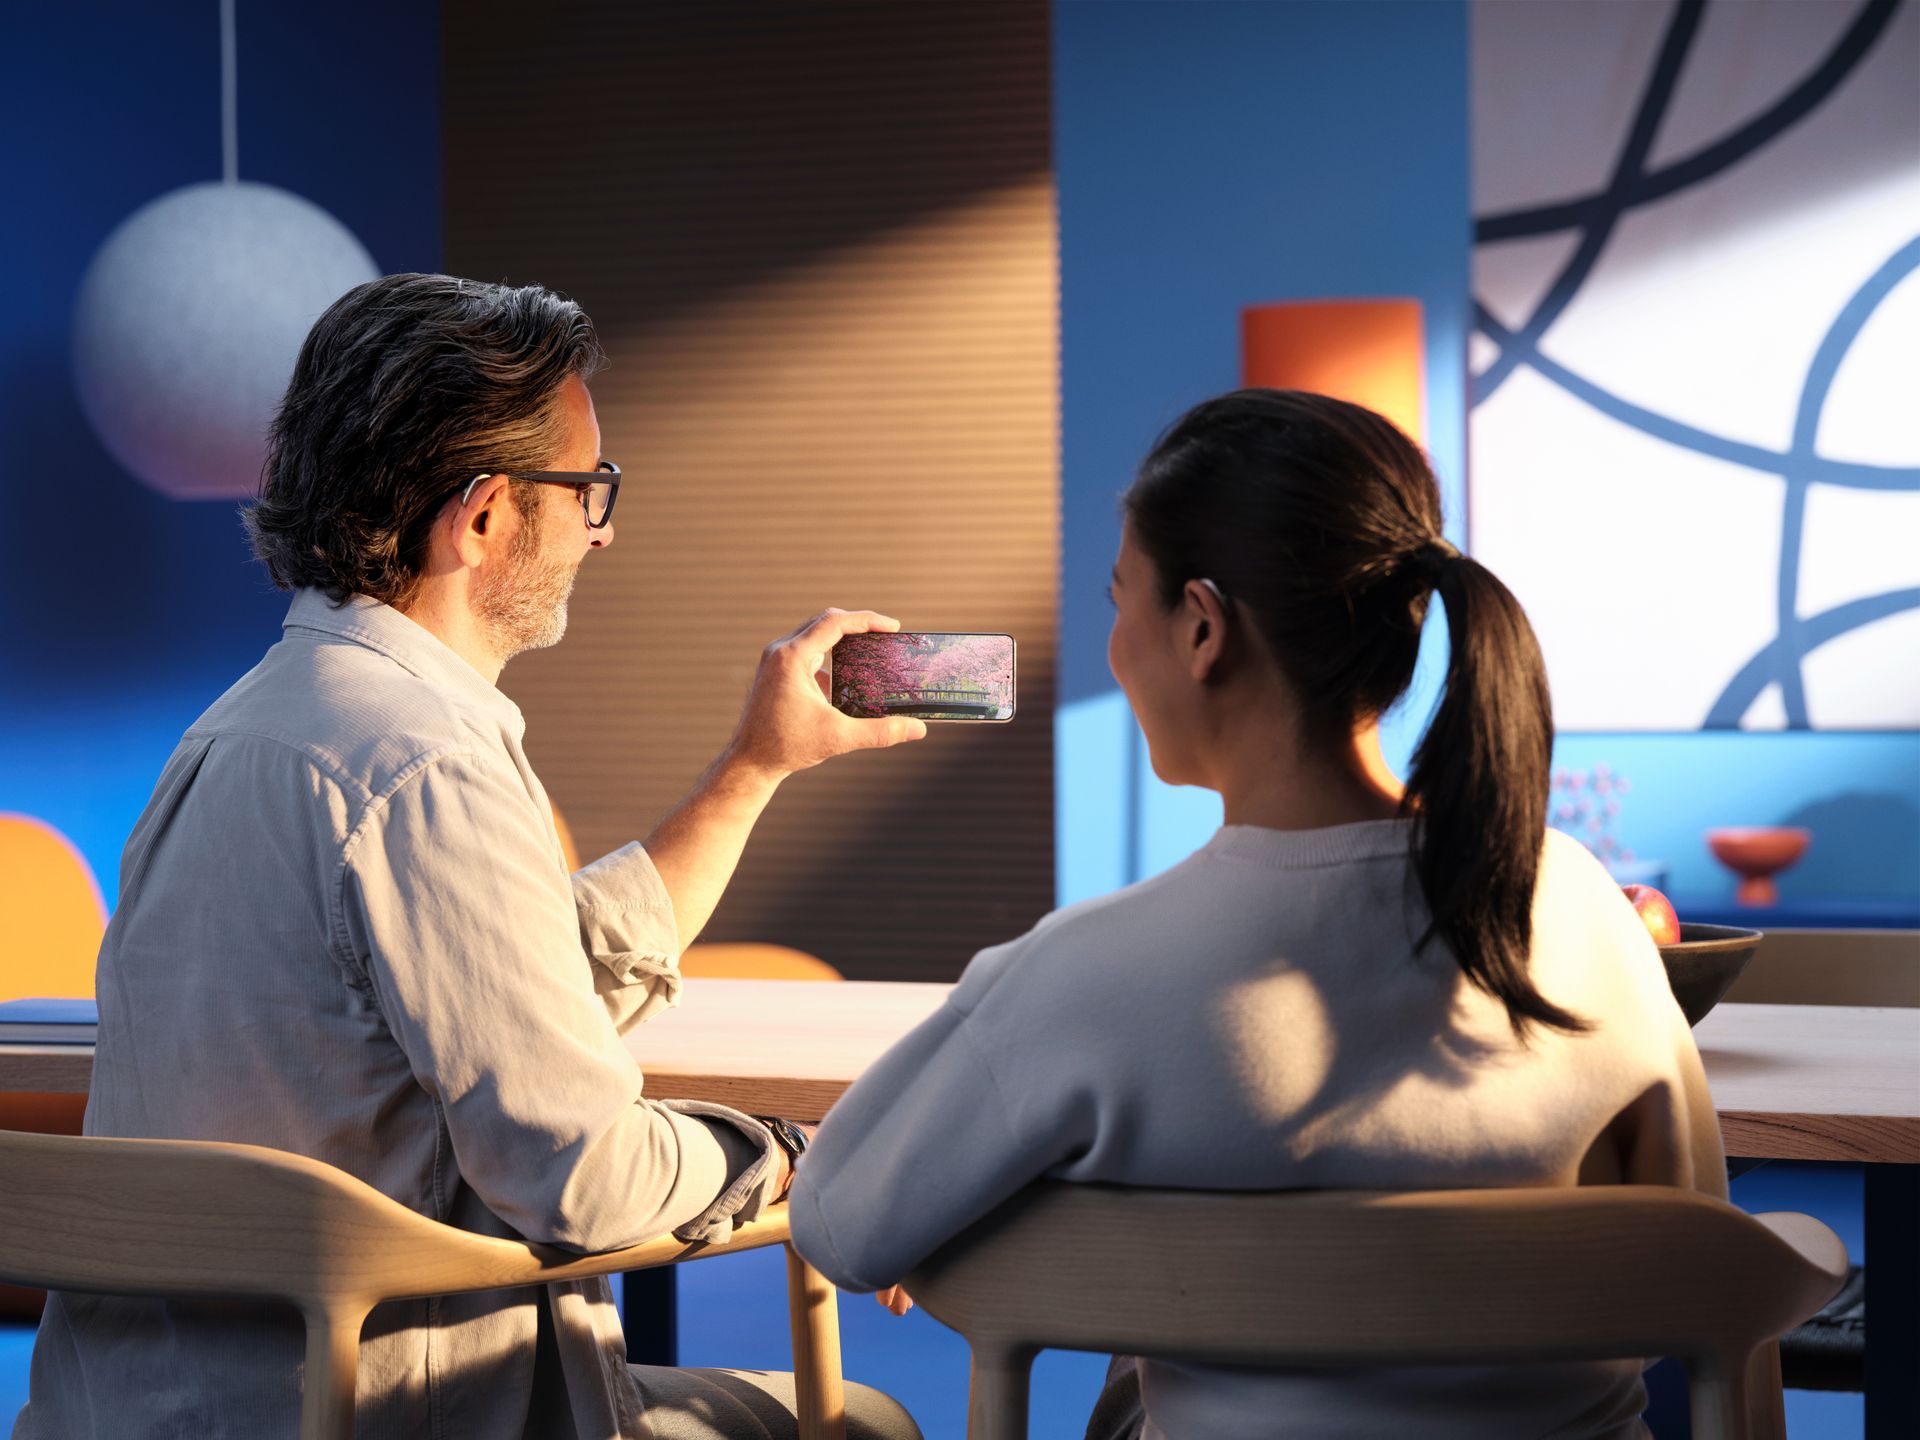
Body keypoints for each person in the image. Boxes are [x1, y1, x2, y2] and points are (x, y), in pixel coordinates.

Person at [15, 274, 922, 1440]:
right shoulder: (425, 764)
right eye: (590, 490)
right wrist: (798, 1160)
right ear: (484, 516)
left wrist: (756, 768)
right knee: (866, 1422)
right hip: (390, 1410)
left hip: (157, 1411)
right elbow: (582, 1183)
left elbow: (500, 978)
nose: (607, 527)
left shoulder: (236, 733)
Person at [790, 390, 1725, 1440]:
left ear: (1200, 627)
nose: (1114, 647)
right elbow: (1695, 1245)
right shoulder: (1581, 907)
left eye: (1118, 600)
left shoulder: (1091, 974)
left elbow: (838, 1221)